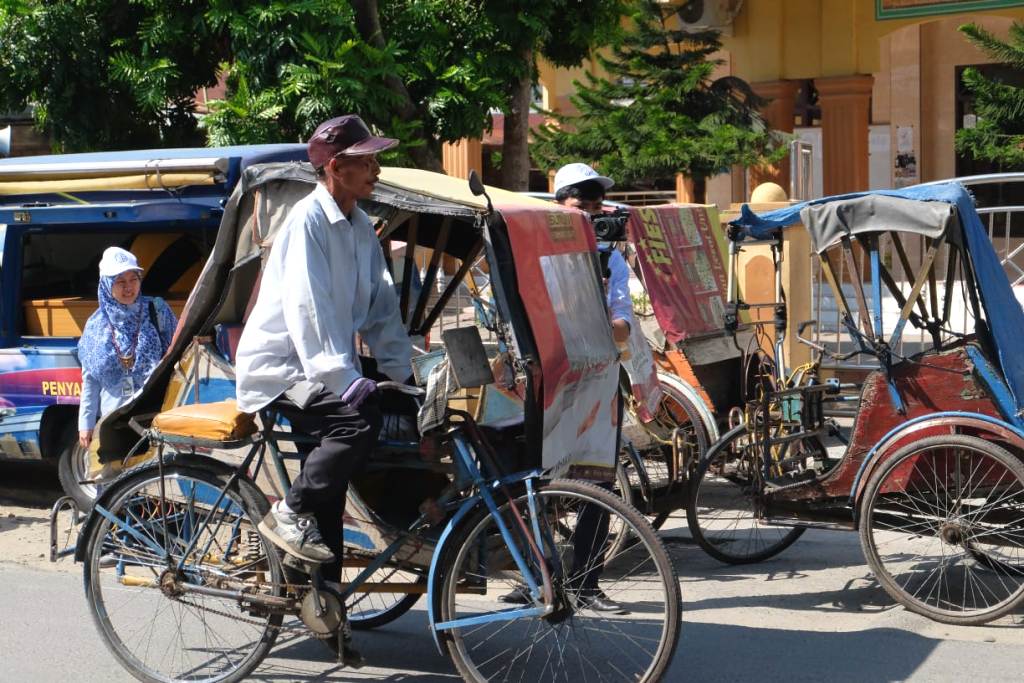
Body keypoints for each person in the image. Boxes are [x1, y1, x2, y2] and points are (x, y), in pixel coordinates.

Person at [235, 114, 412, 582]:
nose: (376, 170)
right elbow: (307, 313)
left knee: (336, 487)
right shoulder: (306, 223)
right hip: (282, 370)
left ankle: (323, 602)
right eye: (367, 161)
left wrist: (401, 374)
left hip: (323, 369)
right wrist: (346, 381)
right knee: (357, 421)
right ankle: (289, 511)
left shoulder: (358, 228)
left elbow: (381, 308)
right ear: (336, 167)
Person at [500, 163, 633, 614]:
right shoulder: (532, 252)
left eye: (595, 206)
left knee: (597, 488)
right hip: (546, 386)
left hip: (596, 386)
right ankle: (536, 576)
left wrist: (590, 312)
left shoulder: (610, 260)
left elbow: (622, 326)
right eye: (580, 204)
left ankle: (587, 583)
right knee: (534, 485)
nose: (589, 214)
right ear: (559, 206)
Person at [78, 247, 177, 454]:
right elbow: (90, 380)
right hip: (114, 419)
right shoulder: (96, 326)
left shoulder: (157, 310)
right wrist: (85, 424)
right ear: (106, 285)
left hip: (155, 413)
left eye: (134, 279)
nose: (129, 287)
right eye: (120, 281)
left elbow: (179, 355)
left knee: (156, 477)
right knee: (116, 481)